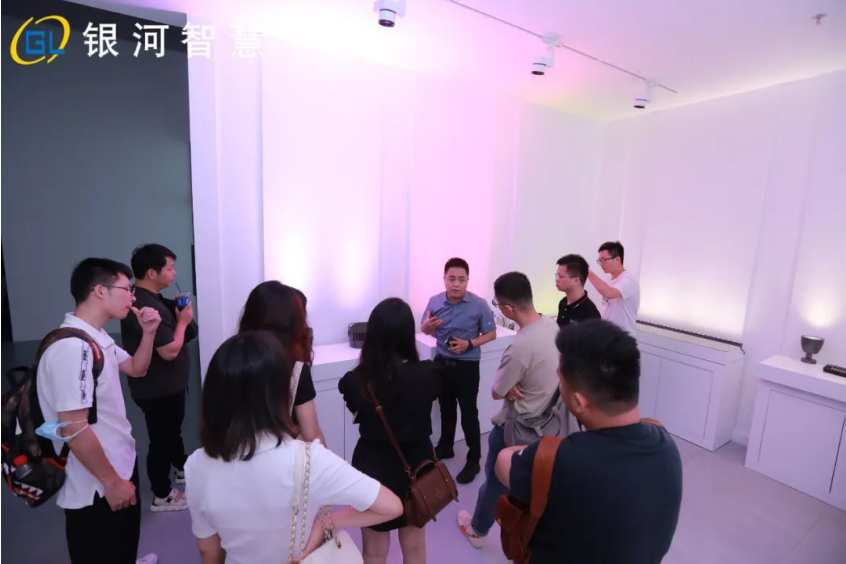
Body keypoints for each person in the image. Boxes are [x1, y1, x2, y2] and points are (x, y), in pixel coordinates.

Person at [185, 332, 403, 564]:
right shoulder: (310, 460)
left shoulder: (197, 465)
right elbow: (391, 507)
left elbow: (208, 550)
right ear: (279, 395)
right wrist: (327, 522)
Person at [495, 320, 683, 563]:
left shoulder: (558, 462)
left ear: (579, 402)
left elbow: (503, 461)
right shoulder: (666, 443)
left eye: (560, 380)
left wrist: (541, 451)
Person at [36, 258, 162, 564]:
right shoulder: (73, 349)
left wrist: (148, 333)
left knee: (124, 547)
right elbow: (74, 427)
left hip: (117, 464)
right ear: (100, 291)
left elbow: (137, 368)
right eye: (127, 289)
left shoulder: (95, 337)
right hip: (95, 483)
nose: (133, 297)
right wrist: (111, 482)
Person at [456, 272, 561, 549]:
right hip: (547, 422)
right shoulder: (551, 326)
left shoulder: (520, 347)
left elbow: (497, 391)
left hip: (517, 425)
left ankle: (478, 529)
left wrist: (508, 385)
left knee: (496, 480)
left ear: (508, 309)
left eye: (497, 304)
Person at [339, 298, 440, 564]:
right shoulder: (429, 373)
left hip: (373, 469)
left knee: (374, 550)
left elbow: (360, 415)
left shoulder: (354, 382)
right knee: (415, 545)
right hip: (418, 466)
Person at [120, 244, 195, 512]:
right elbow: (169, 351)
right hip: (158, 389)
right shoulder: (145, 305)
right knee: (161, 438)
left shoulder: (151, 297)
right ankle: (162, 495)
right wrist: (183, 322)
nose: (174, 273)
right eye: (170, 268)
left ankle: (182, 467)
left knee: (170, 430)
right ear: (152, 273)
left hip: (167, 386)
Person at [421, 257, 497, 484]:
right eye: (451, 279)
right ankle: (446, 446)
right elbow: (425, 328)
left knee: (468, 412)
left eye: (461, 280)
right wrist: (427, 327)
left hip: (467, 366)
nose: (456, 284)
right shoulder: (434, 301)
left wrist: (469, 344)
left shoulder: (479, 304)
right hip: (442, 363)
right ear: (444, 278)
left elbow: (491, 334)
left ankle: (474, 459)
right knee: (446, 408)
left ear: (467, 280)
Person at [238, 281, 326, 445]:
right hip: (281, 455)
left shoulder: (229, 358)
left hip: (236, 453)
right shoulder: (294, 369)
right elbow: (312, 436)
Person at [587, 241, 641, 333]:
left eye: (604, 260)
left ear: (617, 259)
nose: (601, 264)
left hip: (623, 337)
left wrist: (587, 272)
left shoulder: (629, 280)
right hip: (608, 334)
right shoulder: (609, 279)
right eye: (600, 260)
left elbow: (609, 293)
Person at [555, 254, 601, 328]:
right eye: (556, 275)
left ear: (576, 280)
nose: (557, 279)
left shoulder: (590, 314)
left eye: (561, 276)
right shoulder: (563, 302)